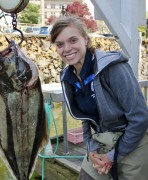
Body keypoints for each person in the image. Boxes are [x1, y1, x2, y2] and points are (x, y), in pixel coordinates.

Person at [49, 15, 148, 180]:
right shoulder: (69, 77)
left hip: (134, 139)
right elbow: (85, 118)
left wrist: (112, 156)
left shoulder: (113, 68)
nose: (66, 48)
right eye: (60, 44)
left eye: (73, 40)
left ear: (85, 40)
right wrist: (91, 149)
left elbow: (140, 117)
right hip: (103, 140)